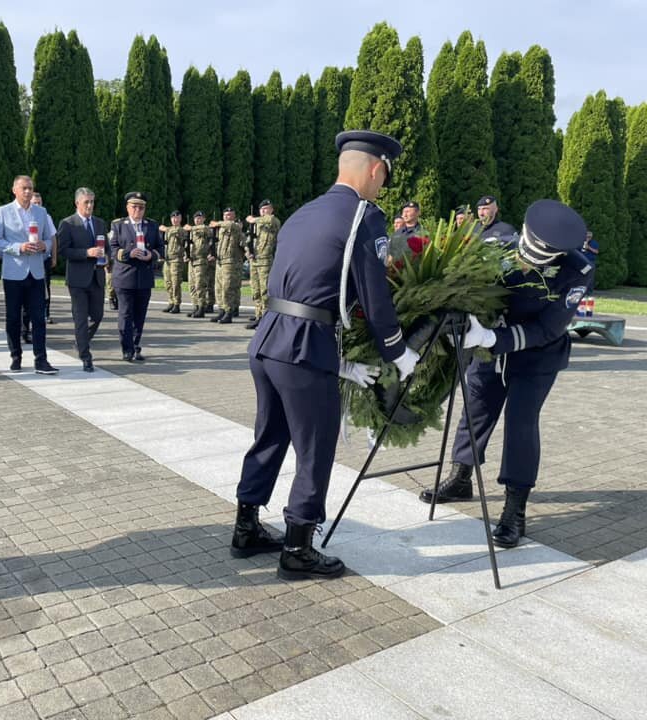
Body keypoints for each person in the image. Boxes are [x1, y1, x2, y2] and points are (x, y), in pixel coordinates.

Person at [233, 130, 419, 581]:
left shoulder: (303, 212)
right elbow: (375, 297)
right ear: (376, 169)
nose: (382, 187)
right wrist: (400, 352)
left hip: (268, 340)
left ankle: (246, 527)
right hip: (304, 346)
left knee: (270, 436)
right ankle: (298, 549)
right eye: (384, 177)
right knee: (316, 447)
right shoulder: (363, 216)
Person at [419, 200, 594, 547]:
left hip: (536, 357)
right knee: (475, 409)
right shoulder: (499, 247)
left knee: (521, 422)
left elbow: (549, 328)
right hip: (488, 349)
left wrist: (492, 338)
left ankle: (515, 507)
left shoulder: (579, 271)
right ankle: (461, 476)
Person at [0, 175, 58, 374]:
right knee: (13, 317)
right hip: (14, 272)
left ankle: (41, 359)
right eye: (24, 188)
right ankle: (15, 355)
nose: (28, 192)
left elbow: (48, 238)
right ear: (15, 190)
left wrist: (45, 246)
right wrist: (18, 247)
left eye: (30, 188)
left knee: (38, 317)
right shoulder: (3, 211)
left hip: (36, 272)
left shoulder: (41, 211)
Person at [57, 187, 109, 372]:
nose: (90, 205)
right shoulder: (68, 224)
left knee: (97, 316)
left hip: (97, 277)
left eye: (92, 202)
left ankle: (81, 340)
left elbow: (107, 247)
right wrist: (86, 253)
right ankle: (86, 356)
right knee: (80, 319)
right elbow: (63, 250)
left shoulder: (100, 223)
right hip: (78, 279)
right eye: (86, 202)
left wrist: (107, 258)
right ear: (77, 203)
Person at [110, 192, 163, 361]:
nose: (138, 210)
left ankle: (135, 345)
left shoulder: (152, 226)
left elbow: (160, 249)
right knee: (125, 314)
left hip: (144, 277)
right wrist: (128, 253)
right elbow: (111, 249)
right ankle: (127, 348)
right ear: (127, 207)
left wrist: (151, 256)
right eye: (134, 207)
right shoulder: (118, 225)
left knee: (140, 315)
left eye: (141, 207)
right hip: (125, 277)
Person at [245, 200, 281, 330]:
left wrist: (254, 220)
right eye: (262, 209)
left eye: (266, 209)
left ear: (271, 210)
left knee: (265, 290)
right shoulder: (257, 224)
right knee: (256, 290)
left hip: (265, 261)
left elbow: (270, 221)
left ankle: (267, 318)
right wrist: (248, 252)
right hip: (254, 260)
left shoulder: (273, 221)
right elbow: (249, 239)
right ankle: (259, 315)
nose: (264, 211)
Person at [209, 207, 247, 324]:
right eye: (225, 215)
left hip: (231, 262)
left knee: (227, 288)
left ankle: (229, 312)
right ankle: (222, 310)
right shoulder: (221, 230)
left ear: (234, 217)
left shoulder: (236, 227)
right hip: (220, 261)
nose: (227, 217)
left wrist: (218, 223)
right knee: (219, 287)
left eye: (230, 215)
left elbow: (233, 227)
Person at [29, 190, 58, 332]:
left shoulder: (46, 216)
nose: (37, 205)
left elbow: (52, 238)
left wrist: (54, 256)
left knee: (45, 286)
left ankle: (45, 313)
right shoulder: (25, 216)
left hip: (43, 258)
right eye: (35, 202)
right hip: (29, 258)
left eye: (39, 202)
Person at [184, 211, 211, 318]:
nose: (197, 220)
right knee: (192, 286)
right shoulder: (191, 232)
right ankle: (195, 306)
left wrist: (192, 228)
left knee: (200, 285)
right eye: (196, 218)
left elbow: (207, 230)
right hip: (192, 260)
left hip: (201, 261)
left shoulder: (204, 229)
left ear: (204, 219)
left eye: (200, 218)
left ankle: (201, 307)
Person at [159, 211, 186, 313]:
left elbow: (178, 233)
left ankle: (176, 303)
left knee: (175, 283)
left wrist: (166, 229)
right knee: (168, 282)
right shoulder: (168, 231)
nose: (175, 219)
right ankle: (171, 301)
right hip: (168, 259)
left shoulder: (180, 230)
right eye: (173, 218)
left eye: (177, 217)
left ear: (180, 219)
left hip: (176, 260)